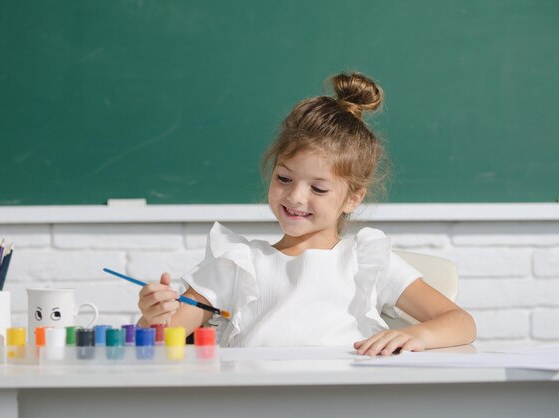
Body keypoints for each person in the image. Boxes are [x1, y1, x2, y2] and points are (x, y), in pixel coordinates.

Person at [137, 73, 476, 355]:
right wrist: (154, 317)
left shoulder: (367, 260)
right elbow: (166, 337)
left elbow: (460, 322)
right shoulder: (238, 262)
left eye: (318, 188)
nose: (296, 197)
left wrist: (417, 337)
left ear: (352, 198)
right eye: (284, 178)